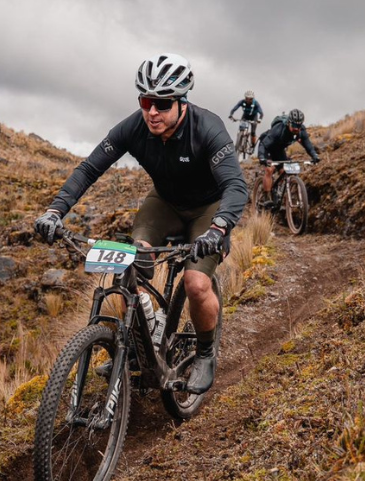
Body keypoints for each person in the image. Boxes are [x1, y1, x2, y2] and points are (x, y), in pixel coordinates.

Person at [34, 53, 247, 394]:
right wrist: (55, 211)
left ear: (182, 102)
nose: (152, 112)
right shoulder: (134, 127)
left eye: (162, 103)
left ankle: (205, 353)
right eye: (146, 101)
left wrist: (219, 227)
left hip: (209, 210)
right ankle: (137, 343)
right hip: (163, 204)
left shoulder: (208, 127)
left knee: (195, 283)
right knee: (130, 264)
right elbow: (90, 168)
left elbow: (235, 185)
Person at [256, 108, 320, 200]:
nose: (296, 128)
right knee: (270, 169)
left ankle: (278, 195)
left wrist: (314, 156)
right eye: (294, 125)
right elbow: (264, 145)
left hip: (279, 149)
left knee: (284, 171)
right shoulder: (278, 129)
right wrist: (262, 157)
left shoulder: (301, 131)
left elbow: (308, 145)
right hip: (267, 147)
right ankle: (267, 198)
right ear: (289, 122)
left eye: (298, 125)